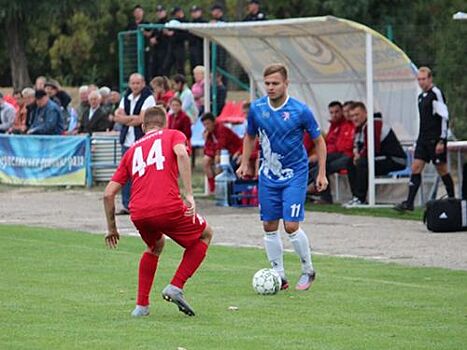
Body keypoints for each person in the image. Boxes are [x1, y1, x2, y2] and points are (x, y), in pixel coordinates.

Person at [103, 106, 213, 317]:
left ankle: (141, 306)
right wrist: (189, 194)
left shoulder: (131, 150)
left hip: (139, 213)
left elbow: (109, 194)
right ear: (165, 124)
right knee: (206, 234)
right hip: (168, 206)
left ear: (143, 127)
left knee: (155, 246)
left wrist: (112, 229)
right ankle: (176, 286)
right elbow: (181, 153)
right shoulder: (173, 135)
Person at [236, 63, 328, 291]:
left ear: (286, 84)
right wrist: (245, 162)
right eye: (267, 83)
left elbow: (319, 141)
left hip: (295, 173)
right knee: (269, 224)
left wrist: (322, 173)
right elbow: (249, 137)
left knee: (290, 225)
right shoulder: (257, 109)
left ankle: (308, 269)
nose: (270, 87)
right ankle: (279, 274)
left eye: (275, 83)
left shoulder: (300, 110)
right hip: (268, 174)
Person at [394, 67, 455, 211]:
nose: (421, 82)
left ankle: (452, 198)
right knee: (415, 167)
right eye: (419, 80)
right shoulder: (421, 96)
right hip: (423, 138)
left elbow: (443, 117)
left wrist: (442, 139)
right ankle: (409, 203)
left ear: (430, 79)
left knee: (441, 168)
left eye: (423, 79)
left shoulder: (436, 94)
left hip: (435, 139)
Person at [345, 102, 407, 206]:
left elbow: (373, 148)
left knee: (362, 163)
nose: (354, 118)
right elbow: (357, 145)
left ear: (365, 113)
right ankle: (356, 196)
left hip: (395, 159)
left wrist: (359, 157)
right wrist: (356, 154)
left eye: (357, 115)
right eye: (352, 116)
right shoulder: (360, 128)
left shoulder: (374, 124)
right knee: (350, 162)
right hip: (380, 158)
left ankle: (360, 198)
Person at [113, 73, 156, 215]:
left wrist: (126, 119)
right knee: (126, 173)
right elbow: (117, 117)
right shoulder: (126, 97)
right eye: (133, 83)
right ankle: (127, 204)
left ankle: (142, 203)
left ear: (143, 83)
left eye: (138, 83)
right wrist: (131, 119)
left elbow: (141, 120)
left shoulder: (148, 98)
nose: (135, 86)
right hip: (127, 140)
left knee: (142, 173)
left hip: (141, 140)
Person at [308, 101, 355, 203]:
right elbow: (329, 144)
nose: (334, 115)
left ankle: (309, 191)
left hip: (345, 156)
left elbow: (342, 146)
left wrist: (321, 154)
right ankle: (306, 191)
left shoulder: (349, 125)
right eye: (332, 112)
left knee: (319, 164)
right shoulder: (334, 126)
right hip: (336, 156)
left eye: (337, 112)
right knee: (316, 165)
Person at [202, 112, 243, 194]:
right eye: (204, 124)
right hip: (224, 152)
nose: (206, 126)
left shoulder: (221, 129)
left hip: (234, 152)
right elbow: (207, 148)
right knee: (205, 161)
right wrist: (206, 139)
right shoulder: (209, 133)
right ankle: (213, 187)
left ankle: (221, 188)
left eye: (208, 124)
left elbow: (221, 145)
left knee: (218, 160)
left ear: (214, 122)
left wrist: (216, 154)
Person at [188, 5, 206, 71]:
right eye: (193, 12)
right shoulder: (190, 24)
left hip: (203, 48)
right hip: (193, 48)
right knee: (193, 67)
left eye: (196, 12)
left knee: (201, 67)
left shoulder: (205, 23)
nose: (194, 14)